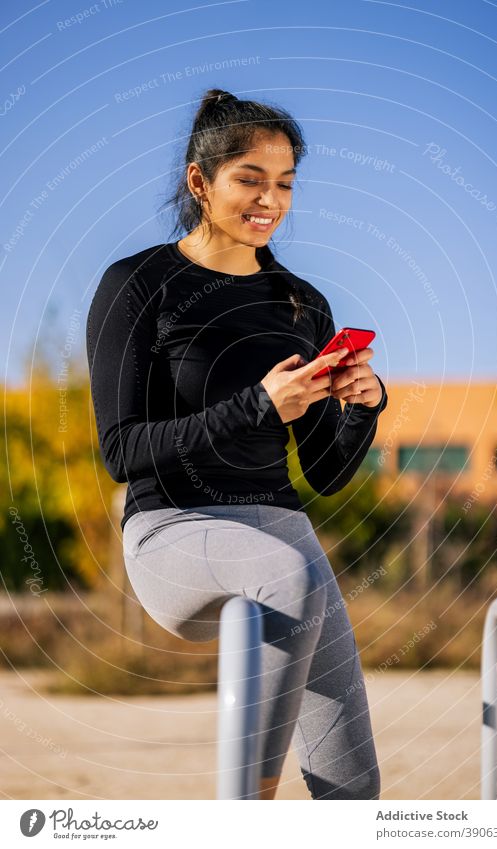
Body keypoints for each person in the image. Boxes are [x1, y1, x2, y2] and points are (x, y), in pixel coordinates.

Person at [86, 88, 388, 800]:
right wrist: (256, 406)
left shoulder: (301, 303)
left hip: (286, 535)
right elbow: (121, 451)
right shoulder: (139, 284)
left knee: (355, 785)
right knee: (290, 572)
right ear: (200, 181)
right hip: (174, 530)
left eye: (284, 183)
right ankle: (246, 806)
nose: (270, 199)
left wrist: (366, 409)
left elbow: (324, 471)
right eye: (250, 179)